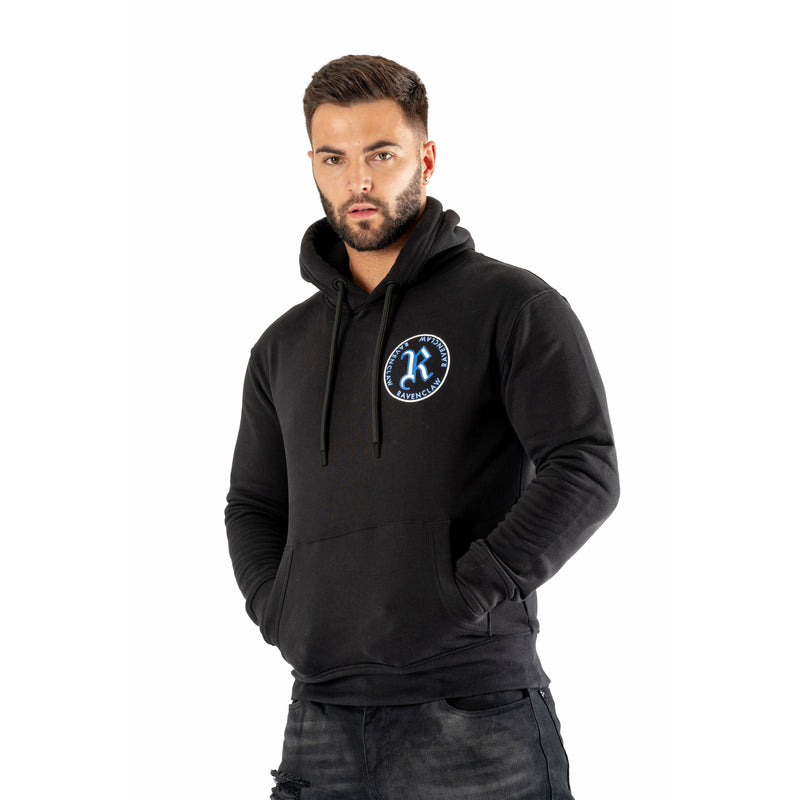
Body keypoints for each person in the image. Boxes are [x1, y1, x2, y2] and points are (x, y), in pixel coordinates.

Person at [225, 54, 619, 800]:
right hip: (320, 718)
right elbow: (252, 504)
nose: (358, 181)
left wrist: (464, 595)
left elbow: (585, 467)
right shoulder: (282, 348)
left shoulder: (511, 305)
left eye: (381, 155)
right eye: (335, 159)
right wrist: (281, 612)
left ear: (426, 159)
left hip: (474, 715)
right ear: (313, 166)